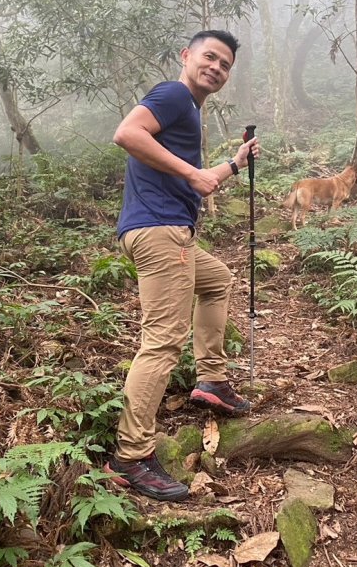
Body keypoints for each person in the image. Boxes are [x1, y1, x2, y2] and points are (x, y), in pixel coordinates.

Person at [105, 30, 259, 502]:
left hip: (170, 232)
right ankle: (130, 457)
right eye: (209, 57)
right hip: (160, 233)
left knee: (218, 280)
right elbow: (127, 133)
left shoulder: (188, 110)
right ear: (186, 56)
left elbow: (199, 183)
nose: (216, 67)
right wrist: (193, 172)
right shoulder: (173, 94)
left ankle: (211, 380)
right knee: (162, 342)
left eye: (225, 64)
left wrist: (232, 165)